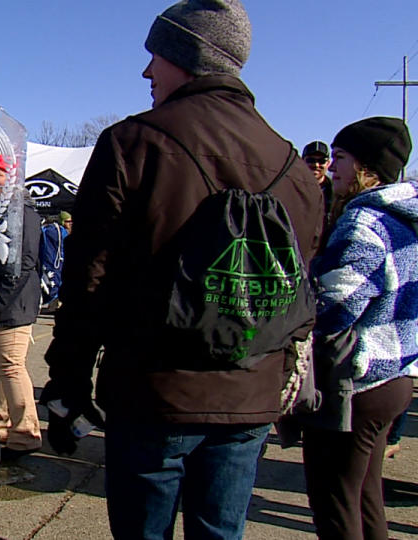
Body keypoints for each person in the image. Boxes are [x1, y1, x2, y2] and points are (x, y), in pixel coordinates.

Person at [40, 1, 323, 538]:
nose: (147, 72)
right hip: (249, 394)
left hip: (153, 394)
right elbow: (299, 288)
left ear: (189, 57)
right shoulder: (294, 166)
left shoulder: (133, 143)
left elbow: (88, 278)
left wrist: (68, 379)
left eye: (157, 56)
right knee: (221, 532)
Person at [302, 117, 415, 540]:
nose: (333, 168)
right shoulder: (406, 216)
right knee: (366, 501)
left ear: (368, 167)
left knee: (335, 506)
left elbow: (333, 305)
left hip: (358, 380)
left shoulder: (364, 221)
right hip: (395, 374)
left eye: (342, 158)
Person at [0, 155, 42, 460]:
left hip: (12, 304)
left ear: (11, 178)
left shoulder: (22, 211)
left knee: (11, 365)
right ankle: (1, 424)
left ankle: (26, 432)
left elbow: (24, 263)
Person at [304, 140, 335, 229]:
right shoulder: (293, 189)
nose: (316, 165)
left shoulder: (337, 193)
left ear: (328, 163)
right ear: (302, 162)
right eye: (311, 160)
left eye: (321, 161)